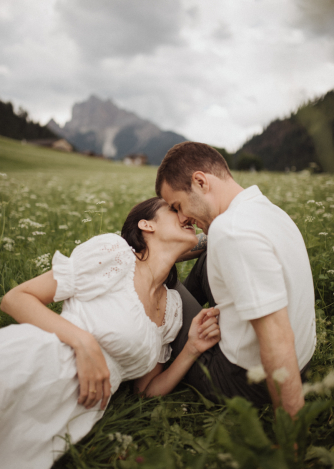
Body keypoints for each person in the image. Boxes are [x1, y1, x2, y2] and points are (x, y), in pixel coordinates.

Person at [0, 197, 220, 469]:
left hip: (68, 416)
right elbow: (15, 298)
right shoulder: (115, 255)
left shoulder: (172, 308)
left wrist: (191, 349)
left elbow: (145, 393)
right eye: (174, 210)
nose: (185, 216)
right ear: (146, 225)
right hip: (35, 362)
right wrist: (84, 344)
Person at [156, 141, 316, 417]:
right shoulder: (263, 210)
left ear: (200, 181)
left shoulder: (231, 233)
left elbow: (276, 339)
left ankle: (155, 333)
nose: (183, 218)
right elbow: (209, 242)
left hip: (245, 380)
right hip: (305, 360)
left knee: (164, 284)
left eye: (178, 206)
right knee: (206, 258)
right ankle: (190, 312)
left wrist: (292, 439)